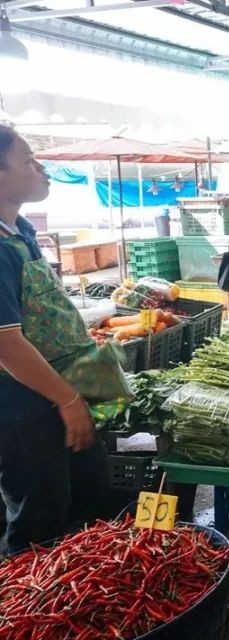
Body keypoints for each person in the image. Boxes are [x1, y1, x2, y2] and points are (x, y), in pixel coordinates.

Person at [0, 126, 111, 554]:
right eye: (28, 160)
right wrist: (67, 401)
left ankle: (82, 609)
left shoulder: (19, 233)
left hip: (55, 391)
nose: (41, 167)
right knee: (40, 518)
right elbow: (7, 345)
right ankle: (24, 613)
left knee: (89, 496)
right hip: (21, 404)